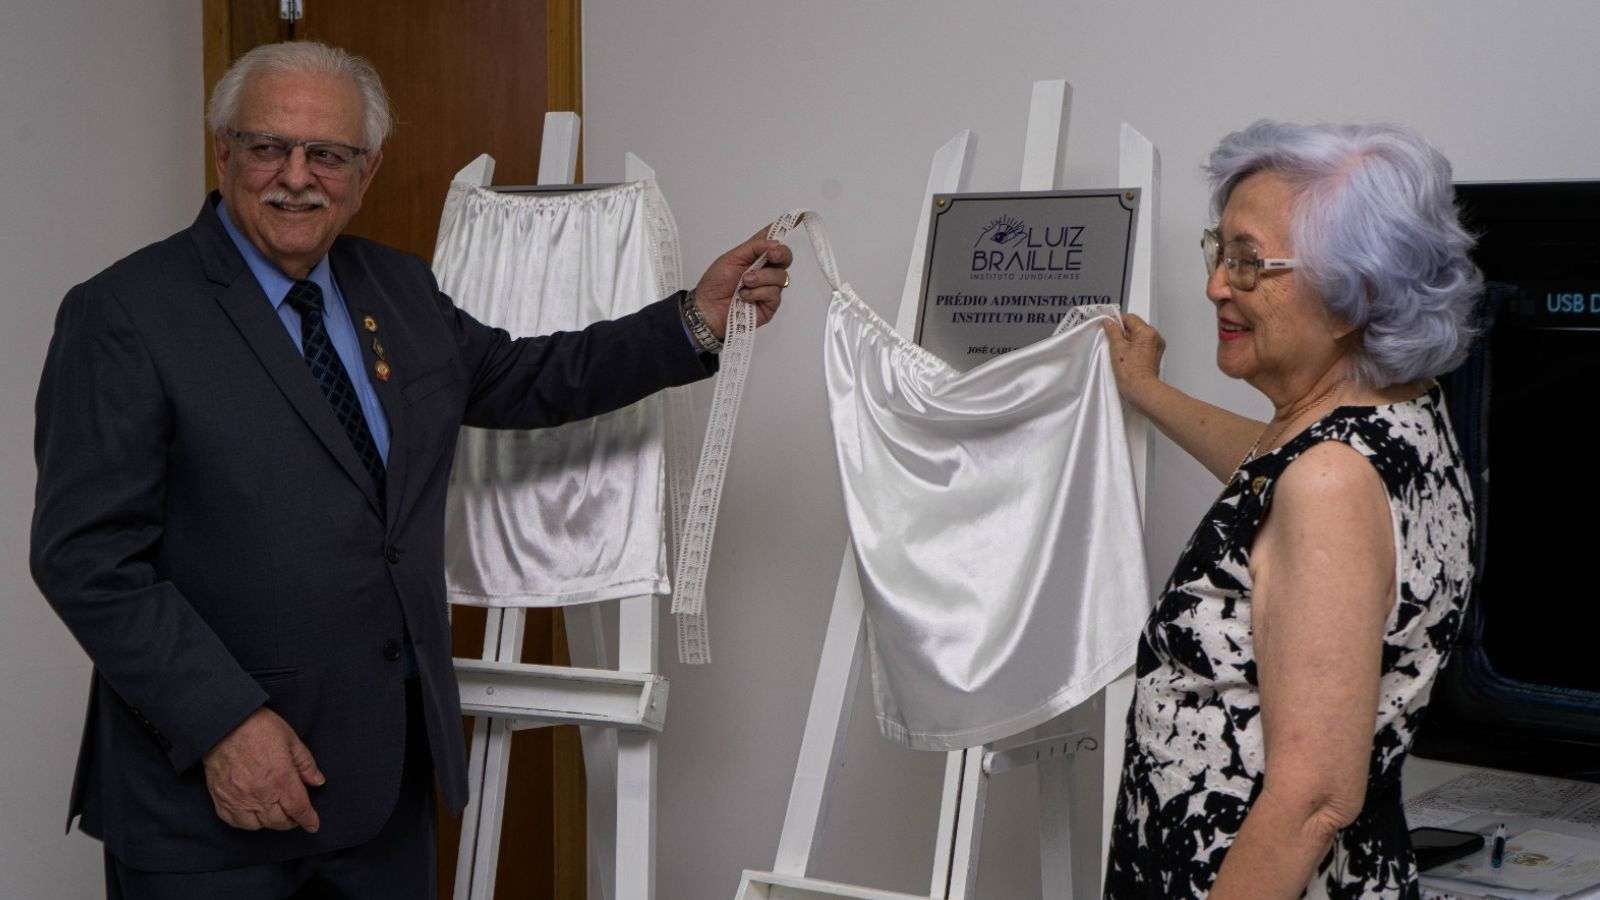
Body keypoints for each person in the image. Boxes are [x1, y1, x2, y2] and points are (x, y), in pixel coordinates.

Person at [30, 41, 791, 899]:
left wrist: (693, 319)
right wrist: (225, 726)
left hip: (385, 795)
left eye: (328, 154)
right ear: (223, 151)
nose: (296, 176)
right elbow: (87, 559)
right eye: (267, 147)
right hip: (213, 803)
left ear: (367, 168)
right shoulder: (125, 312)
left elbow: (519, 378)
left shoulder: (395, 286)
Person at [1100, 120, 1480, 898]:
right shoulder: (1394, 420)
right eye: (1220, 252)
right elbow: (1276, 470)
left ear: (1354, 295)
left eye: (1249, 263)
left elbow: (1311, 801)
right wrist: (1147, 392)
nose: (1216, 285)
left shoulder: (1328, 485)